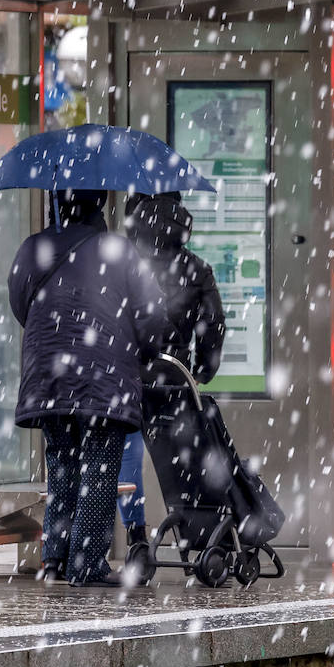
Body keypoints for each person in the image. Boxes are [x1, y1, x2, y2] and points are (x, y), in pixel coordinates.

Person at [9, 189, 166, 587]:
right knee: (98, 466)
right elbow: (150, 312)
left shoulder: (33, 248)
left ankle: (55, 559)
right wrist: (148, 350)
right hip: (103, 374)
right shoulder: (117, 250)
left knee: (61, 462)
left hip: (48, 374)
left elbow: (20, 305)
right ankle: (87, 562)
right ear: (98, 205)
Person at [123, 192, 227, 545]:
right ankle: (194, 531)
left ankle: (135, 533)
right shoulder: (196, 268)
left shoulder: (127, 263)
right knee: (183, 460)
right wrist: (202, 369)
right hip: (175, 377)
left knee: (126, 454)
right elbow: (213, 322)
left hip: (127, 373)